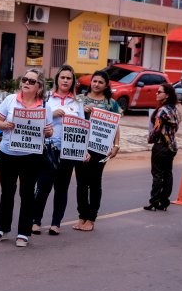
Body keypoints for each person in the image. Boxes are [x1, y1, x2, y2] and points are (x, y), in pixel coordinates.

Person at [0, 68, 53, 247]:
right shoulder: (10, 100)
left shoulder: (44, 107)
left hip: (31, 157)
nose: (26, 83)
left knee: (27, 194)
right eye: (25, 79)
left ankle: (24, 232)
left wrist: (48, 131)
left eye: (31, 81)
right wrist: (5, 124)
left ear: (39, 86)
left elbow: (49, 131)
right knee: (7, 192)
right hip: (7, 154)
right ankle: (2, 228)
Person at [32, 65, 84, 236]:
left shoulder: (77, 103)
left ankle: (56, 223)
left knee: (62, 188)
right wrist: (52, 114)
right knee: (43, 186)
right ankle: (36, 221)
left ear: (73, 82)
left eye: (69, 78)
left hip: (68, 151)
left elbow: (83, 129)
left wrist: (84, 150)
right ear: (57, 80)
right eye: (62, 77)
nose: (65, 81)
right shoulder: (46, 99)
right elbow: (35, 120)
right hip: (47, 149)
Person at [73, 70, 121, 232]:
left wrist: (116, 145)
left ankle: (91, 218)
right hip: (80, 146)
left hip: (100, 149)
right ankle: (82, 216)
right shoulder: (80, 100)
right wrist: (82, 111)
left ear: (106, 85)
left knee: (94, 182)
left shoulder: (111, 104)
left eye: (100, 82)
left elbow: (116, 126)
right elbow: (72, 120)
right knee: (81, 183)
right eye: (94, 81)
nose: (96, 84)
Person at [144, 83, 181, 211]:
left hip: (160, 146)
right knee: (168, 173)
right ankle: (164, 202)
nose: (157, 93)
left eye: (159, 92)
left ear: (167, 95)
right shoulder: (175, 110)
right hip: (172, 146)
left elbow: (156, 129)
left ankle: (154, 201)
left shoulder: (162, 111)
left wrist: (150, 139)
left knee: (157, 174)